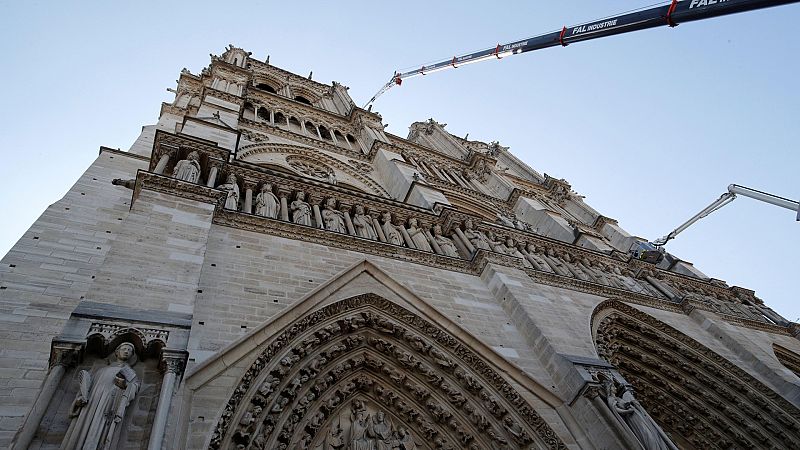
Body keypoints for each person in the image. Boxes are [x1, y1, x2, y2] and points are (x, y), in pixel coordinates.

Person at [61, 343, 140, 450]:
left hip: (109, 403)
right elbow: (86, 386)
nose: (126, 351)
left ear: (131, 355)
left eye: (129, 350)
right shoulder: (101, 370)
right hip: (91, 403)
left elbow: (134, 386)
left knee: (99, 428)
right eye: (124, 349)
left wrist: (125, 385)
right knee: (83, 428)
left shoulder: (130, 373)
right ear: (117, 352)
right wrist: (79, 400)